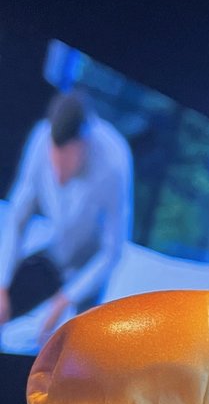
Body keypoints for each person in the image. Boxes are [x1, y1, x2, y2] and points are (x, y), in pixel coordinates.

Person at [0, 90, 132, 339]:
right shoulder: (40, 139)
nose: (58, 175)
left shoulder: (115, 160)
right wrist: (3, 284)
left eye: (66, 162)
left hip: (92, 264)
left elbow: (113, 250)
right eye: (54, 161)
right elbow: (18, 219)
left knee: (81, 344)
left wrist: (64, 300)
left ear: (85, 143)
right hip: (57, 253)